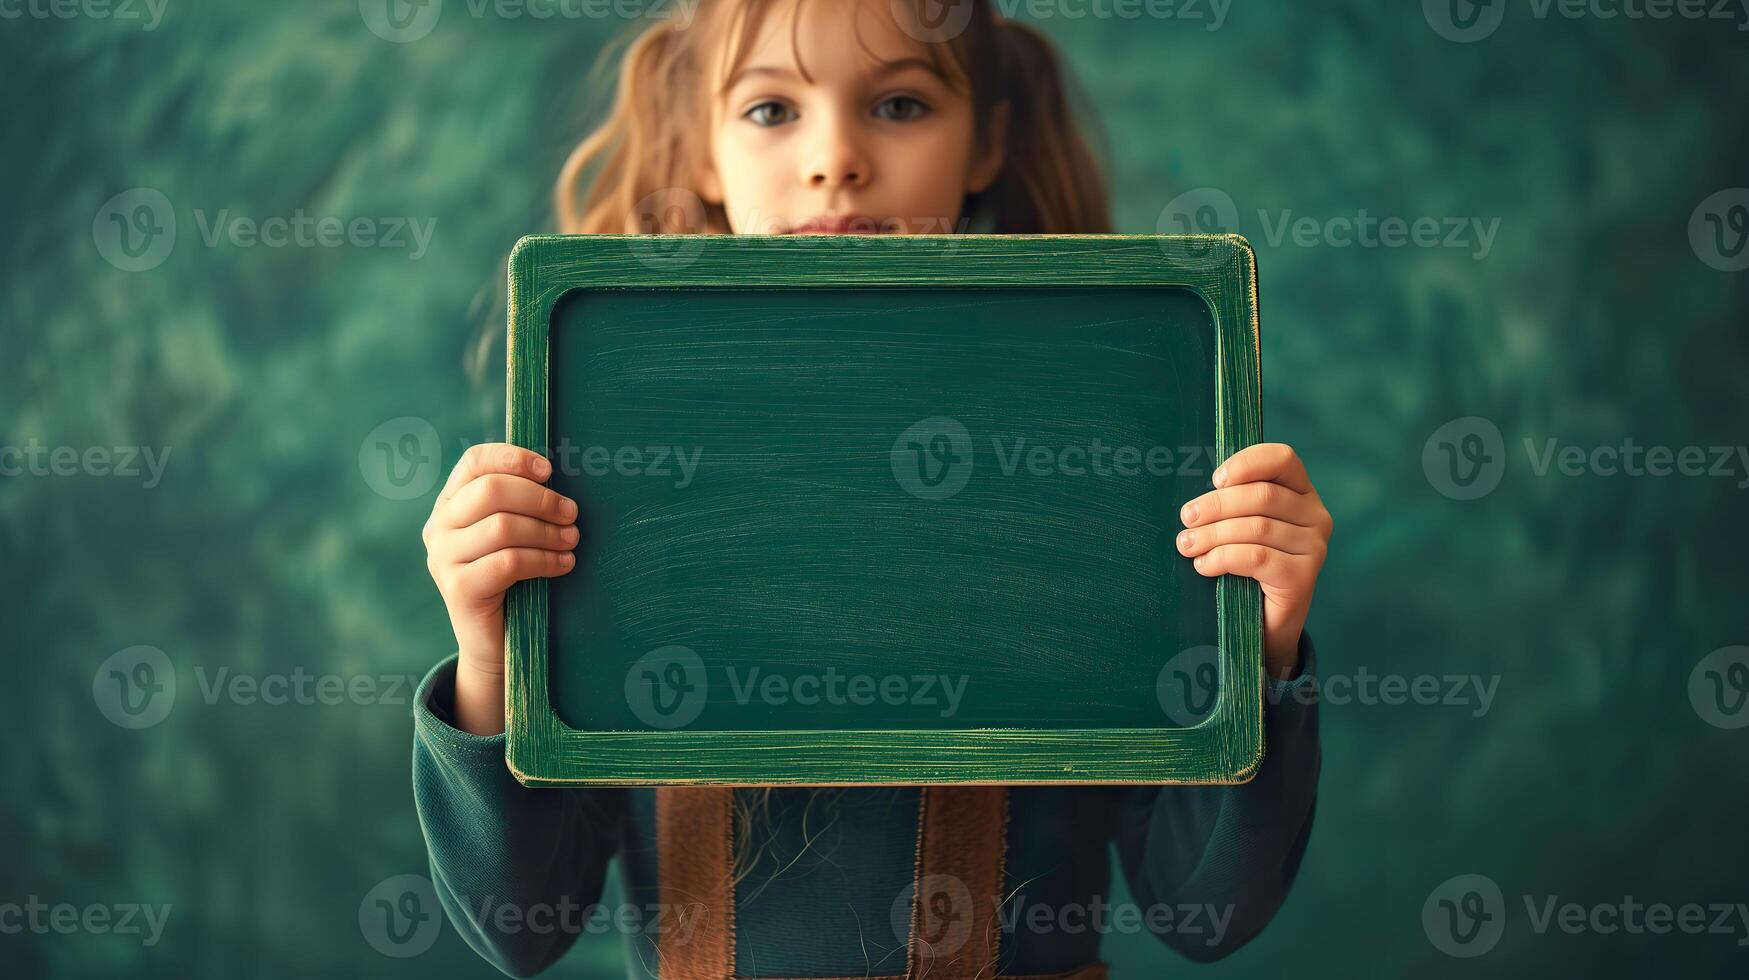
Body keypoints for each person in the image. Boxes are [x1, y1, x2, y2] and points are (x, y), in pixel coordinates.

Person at [414, 1, 1332, 976]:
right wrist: (487, 660)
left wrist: (1257, 645)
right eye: (772, 111)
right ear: (696, 151)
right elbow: (520, 925)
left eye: (899, 103)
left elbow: (1207, 907)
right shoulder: (616, 472)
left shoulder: (1099, 460)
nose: (837, 158)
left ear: (988, 145)